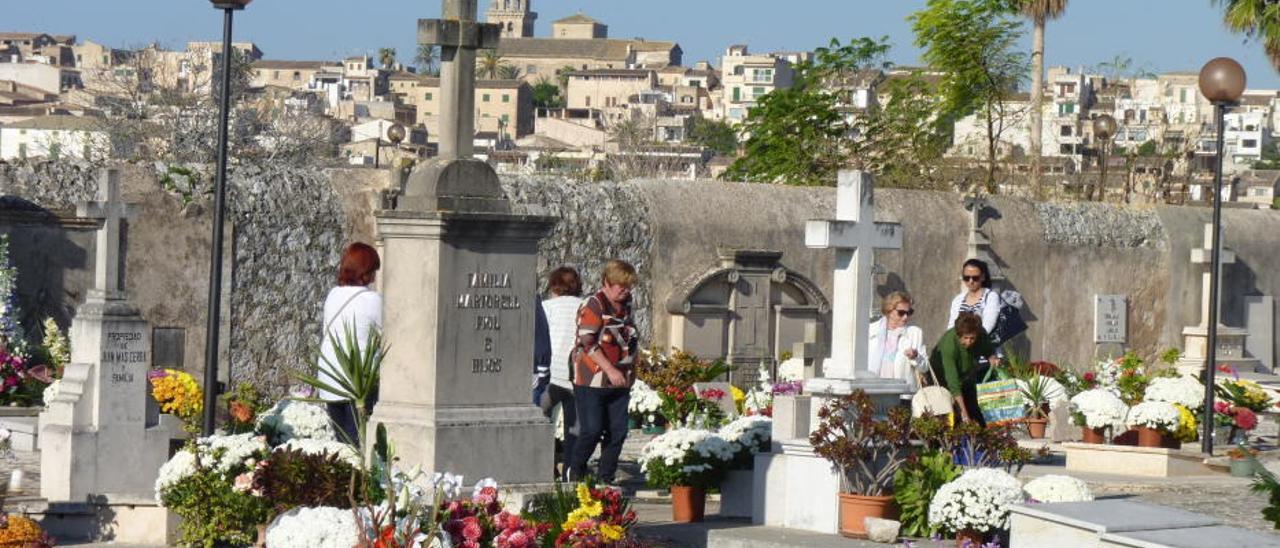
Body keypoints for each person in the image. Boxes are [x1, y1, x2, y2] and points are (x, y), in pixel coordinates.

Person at [567, 260, 639, 484]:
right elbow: (587, 343)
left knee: (618, 431)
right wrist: (609, 369)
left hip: (620, 380)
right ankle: (575, 471)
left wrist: (632, 369)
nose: (625, 290)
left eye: (628, 286)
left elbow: (630, 338)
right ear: (606, 282)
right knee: (592, 429)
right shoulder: (594, 304)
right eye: (620, 286)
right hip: (592, 379)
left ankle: (605, 478)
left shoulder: (626, 304)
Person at [318, 242, 383, 444]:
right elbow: (388, 334)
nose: (374, 275)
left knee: (342, 439)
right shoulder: (373, 300)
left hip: (329, 375)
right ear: (366, 271)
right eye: (373, 270)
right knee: (357, 440)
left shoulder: (333, 294)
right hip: (358, 379)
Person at [539, 266, 585, 480]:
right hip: (575, 374)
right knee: (574, 430)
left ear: (553, 285)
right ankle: (571, 473)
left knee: (539, 422)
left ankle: (543, 468)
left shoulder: (546, 306)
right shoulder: (585, 305)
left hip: (549, 374)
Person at [929, 313, 1001, 425]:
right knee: (950, 416)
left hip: (967, 376)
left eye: (972, 338)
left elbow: (989, 349)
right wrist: (964, 413)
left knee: (977, 414)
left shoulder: (981, 334)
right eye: (965, 338)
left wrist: (992, 358)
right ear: (958, 335)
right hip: (941, 379)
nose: (969, 342)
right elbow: (953, 382)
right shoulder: (949, 345)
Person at [867, 291, 929, 405]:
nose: (905, 317)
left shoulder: (914, 333)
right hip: (873, 391)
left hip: (902, 395)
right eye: (901, 313)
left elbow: (925, 367)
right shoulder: (871, 331)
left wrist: (916, 357)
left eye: (909, 312)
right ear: (889, 311)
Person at [946, 258, 1001, 335]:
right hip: (959, 343)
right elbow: (951, 326)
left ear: (983, 277)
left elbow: (988, 326)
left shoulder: (991, 297)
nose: (971, 281)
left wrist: (971, 340)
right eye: (967, 278)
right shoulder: (958, 300)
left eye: (975, 278)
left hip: (981, 343)